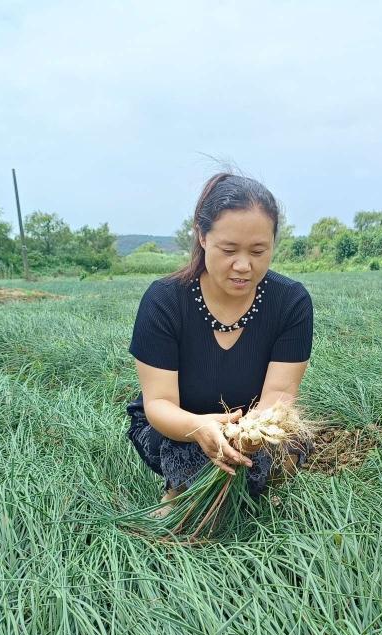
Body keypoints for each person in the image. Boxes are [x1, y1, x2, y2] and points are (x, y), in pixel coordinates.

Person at [125, 172, 314, 515]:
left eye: (258, 251)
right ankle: (179, 489)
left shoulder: (291, 302)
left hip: (254, 426)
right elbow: (160, 403)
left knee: (286, 449)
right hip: (179, 425)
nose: (243, 266)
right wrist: (200, 428)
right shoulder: (164, 301)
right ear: (202, 235)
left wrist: (248, 435)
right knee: (186, 460)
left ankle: (255, 488)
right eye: (228, 250)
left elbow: (279, 396)